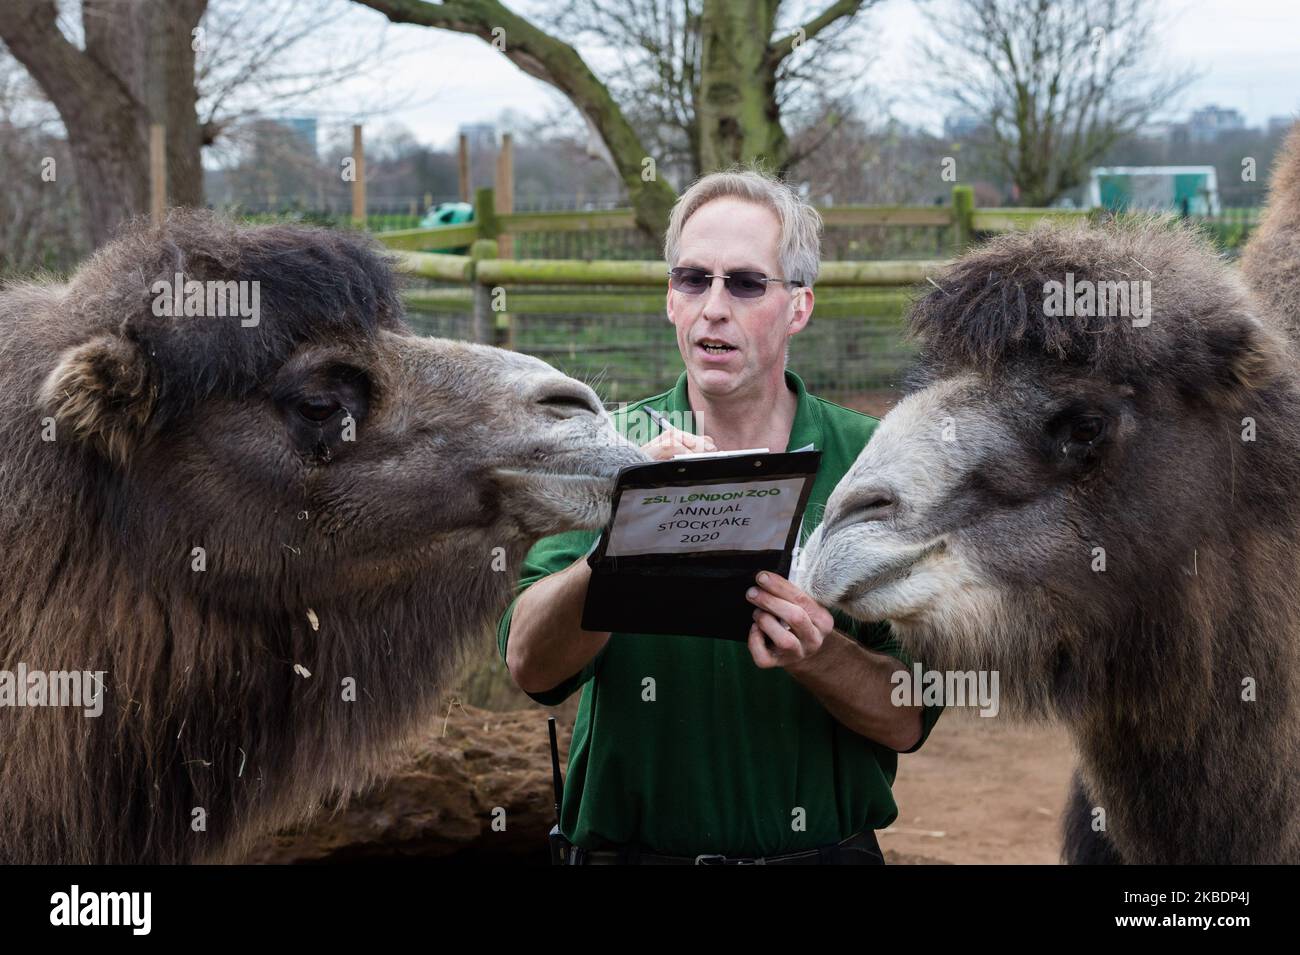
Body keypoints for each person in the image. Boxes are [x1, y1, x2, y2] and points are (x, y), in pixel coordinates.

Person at [497, 166, 943, 864]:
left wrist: (819, 654)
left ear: (798, 307)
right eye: (692, 279)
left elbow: (909, 713)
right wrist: (626, 539)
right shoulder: (604, 450)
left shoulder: (872, 463)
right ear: (669, 301)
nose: (713, 306)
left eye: (744, 283)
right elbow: (529, 665)